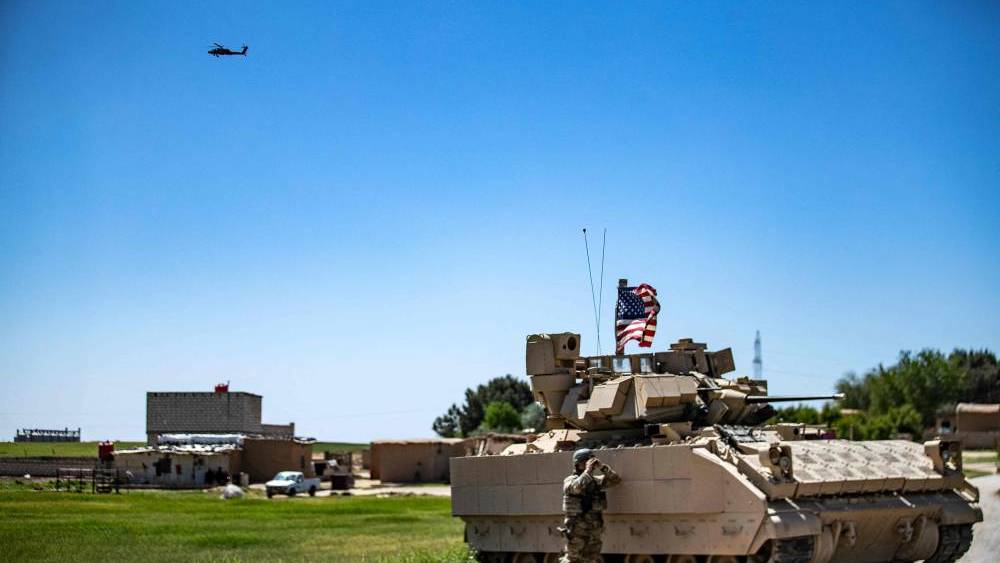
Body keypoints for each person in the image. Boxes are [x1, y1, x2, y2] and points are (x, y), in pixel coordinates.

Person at [560, 449, 622, 563]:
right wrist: (588, 470)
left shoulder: (594, 481)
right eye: (585, 461)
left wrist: (602, 467)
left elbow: (615, 480)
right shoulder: (569, 480)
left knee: (591, 558)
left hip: (594, 528)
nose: (589, 463)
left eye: (590, 460)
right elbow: (577, 487)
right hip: (578, 529)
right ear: (578, 464)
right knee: (573, 559)